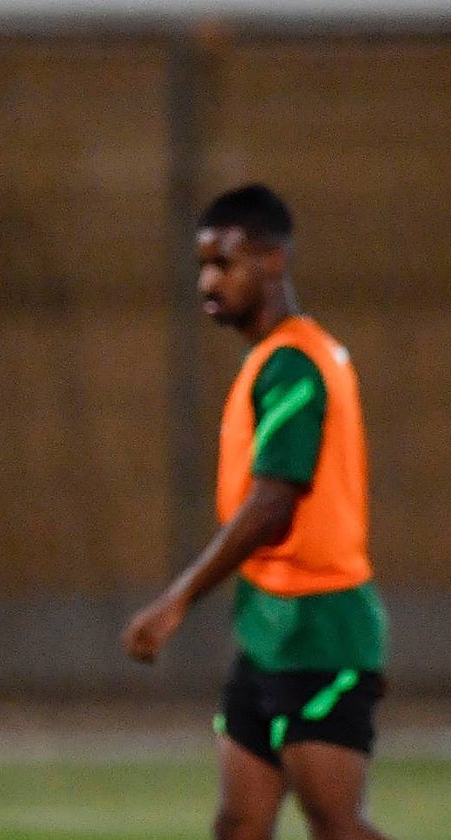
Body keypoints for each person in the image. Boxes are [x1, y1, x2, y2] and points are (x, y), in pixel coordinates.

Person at [122, 184, 389, 840]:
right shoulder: (275, 357)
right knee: (241, 823)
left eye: (224, 263)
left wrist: (177, 599)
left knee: (335, 824)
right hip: (270, 626)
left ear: (273, 261)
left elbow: (273, 504)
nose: (207, 281)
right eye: (202, 265)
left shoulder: (294, 363)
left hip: (321, 628)